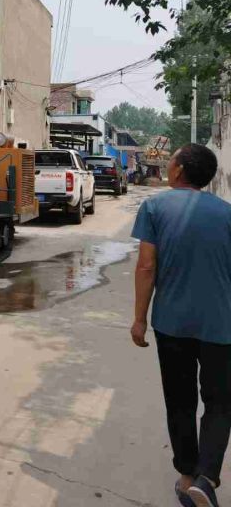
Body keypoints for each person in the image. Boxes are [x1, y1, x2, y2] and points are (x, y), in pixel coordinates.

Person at [131, 143, 231, 507]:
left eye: (171, 158)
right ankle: (206, 479)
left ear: (178, 170)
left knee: (180, 401)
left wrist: (139, 319)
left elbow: (146, 266)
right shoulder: (227, 213)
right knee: (220, 403)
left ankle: (187, 476)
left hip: (172, 324)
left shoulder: (154, 207)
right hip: (221, 324)